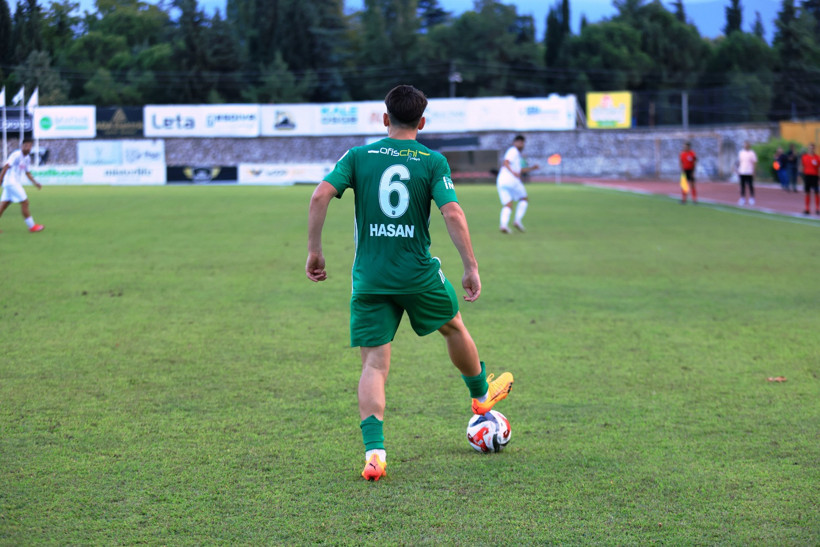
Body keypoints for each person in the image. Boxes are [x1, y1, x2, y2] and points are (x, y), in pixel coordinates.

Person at [306, 85, 513, 482]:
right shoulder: (432, 161)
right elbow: (452, 212)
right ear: (422, 122)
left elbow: (319, 197)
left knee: (373, 364)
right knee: (453, 327)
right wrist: (470, 265)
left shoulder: (358, 156)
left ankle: (375, 454)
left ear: (385, 119)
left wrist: (315, 250)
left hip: (369, 277)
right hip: (417, 273)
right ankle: (481, 396)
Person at [0, 137, 45, 233]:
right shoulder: (16, 155)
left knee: (3, 206)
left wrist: (35, 183)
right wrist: (0, 179)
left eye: (29, 146)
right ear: (21, 146)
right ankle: (32, 226)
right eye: (26, 146)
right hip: (11, 182)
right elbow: (6, 166)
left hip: (11, 184)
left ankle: (32, 226)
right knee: (25, 202)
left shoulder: (27, 158)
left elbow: (27, 173)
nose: (28, 148)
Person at [496, 135, 539, 233]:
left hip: (501, 181)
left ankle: (503, 225)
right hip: (511, 180)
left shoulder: (516, 154)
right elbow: (506, 162)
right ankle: (517, 220)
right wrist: (513, 172)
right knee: (524, 198)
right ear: (514, 143)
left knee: (508, 204)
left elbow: (519, 170)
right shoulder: (513, 151)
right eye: (519, 142)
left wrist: (532, 168)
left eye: (522, 142)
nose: (521, 144)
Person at [736, 141, 757, 207]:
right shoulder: (741, 153)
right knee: (742, 186)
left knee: (750, 185)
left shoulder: (752, 153)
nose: (746, 146)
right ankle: (742, 198)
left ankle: (752, 198)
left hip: (749, 172)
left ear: (749, 145)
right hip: (742, 171)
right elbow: (739, 161)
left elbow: (754, 162)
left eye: (747, 145)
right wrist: (737, 169)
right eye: (745, 145)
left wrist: (754, 171)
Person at [800, 143, 819, 215]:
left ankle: (817, 208)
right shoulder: (804, 157)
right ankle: (807, 208)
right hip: (807, 176)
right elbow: (802, 166)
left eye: (812, 148)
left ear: (814, 149)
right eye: (810, 148)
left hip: (815, 176)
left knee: (816, 192)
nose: (811, 149)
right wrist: (801, 175)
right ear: (808, 148)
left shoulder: (817, 157)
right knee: (807, 192)